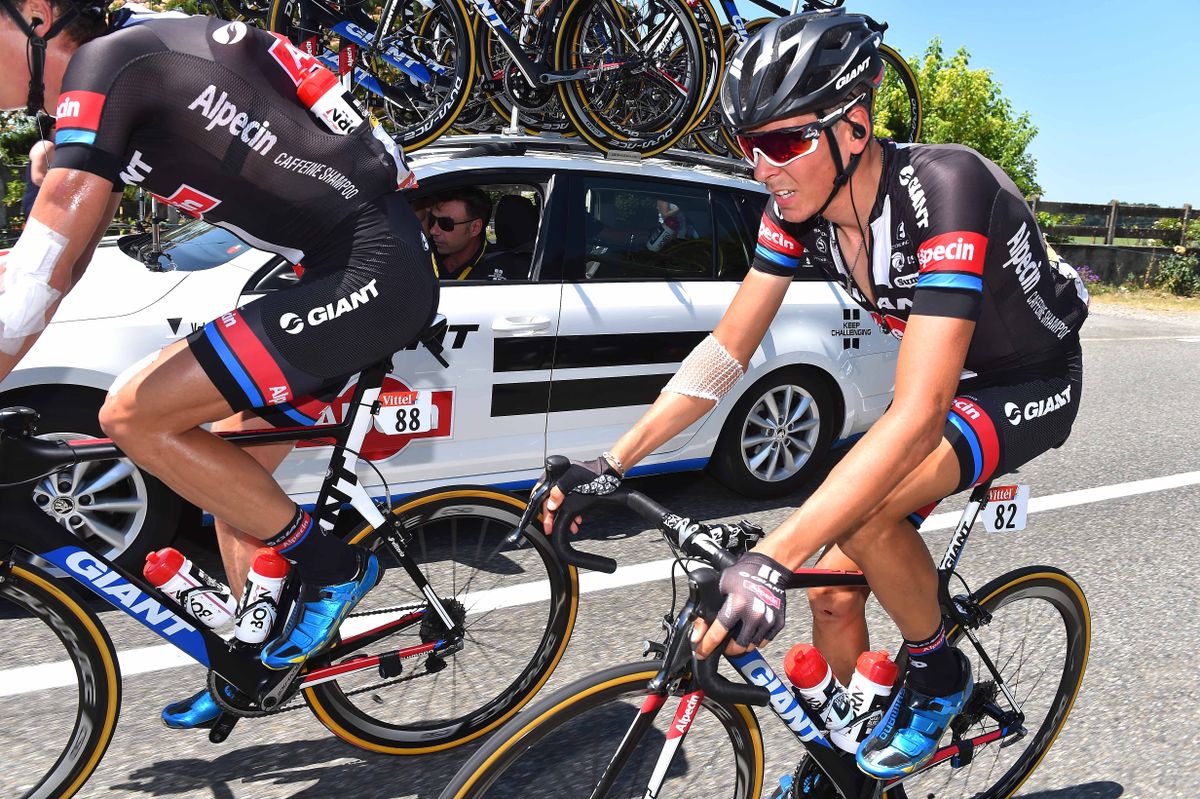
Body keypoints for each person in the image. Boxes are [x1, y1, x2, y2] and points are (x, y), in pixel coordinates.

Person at [537, 8, 1089, 782]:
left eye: (781, 143)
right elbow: (727, 350)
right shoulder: (798, 212)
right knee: (831, 596)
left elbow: (919, 412)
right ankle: (852, 755)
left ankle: (937, 676)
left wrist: (770, 557)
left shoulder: (947, 187)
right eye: (747, 146)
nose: (761, 167)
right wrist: (615, 459)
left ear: (854, 128)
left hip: (1028, 381)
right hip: (948, 380)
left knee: (864, 511)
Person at [0, 0, 438, 729]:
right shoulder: (118, 64)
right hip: (332, 267)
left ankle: (335, 570)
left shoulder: (111, 66)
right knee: (233, 490)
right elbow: (59, 254)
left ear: (38, 14)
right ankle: (251, 658)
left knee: (134, 412)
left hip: (369, 268)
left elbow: (49, 263)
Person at [427, 186, 491, 279]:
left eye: (445, 223)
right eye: (432, 219)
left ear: (474, 228)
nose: (433, 231)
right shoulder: (423, 254)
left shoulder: (501, 271)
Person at [22, 114, 55, 215]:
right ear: (52, 127)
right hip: (40, 204)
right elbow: (38, 178)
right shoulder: (45, 145)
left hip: (45, 204)